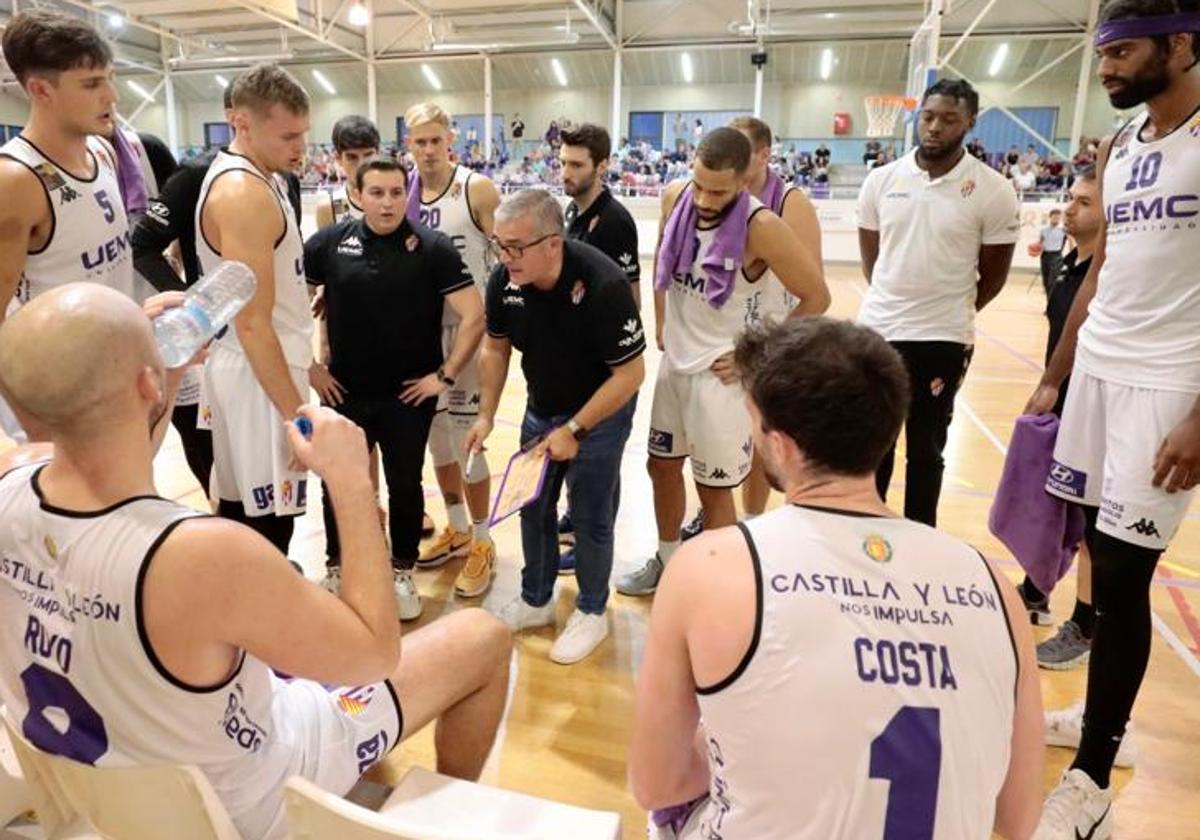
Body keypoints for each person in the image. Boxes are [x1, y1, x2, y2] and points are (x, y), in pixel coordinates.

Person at [0, 283, 512, 840]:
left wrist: (157, 373)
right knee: (482, 637)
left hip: (103, 798)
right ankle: (444, 820)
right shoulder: (204, 556)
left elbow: (97, 453)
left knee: (283, 604)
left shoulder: (14, 477)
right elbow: (372, 655)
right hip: (241, 805)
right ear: (144, 385)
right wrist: (349, 480)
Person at [629, 318, 1043, 840]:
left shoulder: (710, 565)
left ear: (780, 446)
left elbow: (657, 783)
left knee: (665, 813)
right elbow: (1018, 817)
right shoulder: (995, 587)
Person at [1024, 4, 1200, 837]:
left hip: (1169, 387)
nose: (1107, 72)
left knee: (1128, 578)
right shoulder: (1123, 148)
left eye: (1123, 54)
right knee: (1098, 550)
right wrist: (1057, 377)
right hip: (1097, 373)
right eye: (1103, 56)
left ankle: (1093, 776)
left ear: (1182, 44)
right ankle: (1103, 723)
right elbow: (1100, 275)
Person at [617, 128, 829, 598]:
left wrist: (755, 353)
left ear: (743, 181)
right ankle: (669, 561)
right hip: (677, 365)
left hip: (722, 377)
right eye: (699, 184)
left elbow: (817, 296)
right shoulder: (676, 199)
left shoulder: (763, 226)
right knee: (660, 466)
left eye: (718, 189)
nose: (704, 198)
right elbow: (662, 271)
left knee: (714, 490)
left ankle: (716, 587)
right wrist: (662, 323)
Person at [465, 189, 645, 664]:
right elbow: (496, 348)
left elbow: (631, 374)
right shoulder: (504, 281)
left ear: (553, 243)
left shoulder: (603, 285)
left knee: (589, 516)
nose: (506, 258)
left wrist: (577, 429)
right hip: (542, 408)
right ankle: (536, 600)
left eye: (516, 247)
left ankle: (591, 610)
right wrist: (485, 414)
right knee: (533, 507)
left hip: (600, 413)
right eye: (499, 245)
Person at [304, 159, 485, 618]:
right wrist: (310, 367)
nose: (386, 202)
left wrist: (442, 377)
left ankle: (402, 572)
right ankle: (338, 565)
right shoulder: (327, 244)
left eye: (394, 193)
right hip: (344, 392)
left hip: (407, 396)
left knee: (405, 484)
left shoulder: (433, 247)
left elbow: (474, 315)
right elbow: (287, 307)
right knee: (339, 483)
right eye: (376, 192)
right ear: (358, 194)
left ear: (406, 196)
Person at [857, 77, 1019, 528]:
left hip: (943, 338)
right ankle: (872, 530)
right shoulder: (881, 180)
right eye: (928, 116)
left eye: (948, 119)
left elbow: (994, 276)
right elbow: (873, 261)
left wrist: (949, 310)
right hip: (879, 332)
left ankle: (920, 537)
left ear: (969, 122)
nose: (934, 127)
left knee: (927, 449)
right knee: (876, 445)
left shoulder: (993, 189)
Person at [678, 116, 826, 542]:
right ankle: (723, 521)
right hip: (727, 336)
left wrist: (765, 350)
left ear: (761, 155)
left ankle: (755, 524)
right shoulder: (707, 199)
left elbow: (813, 290)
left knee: (763, 439)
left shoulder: (788, 203)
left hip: (772, 339)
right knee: (719, 451)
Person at [195, 64, 314, 555]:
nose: (299, 148)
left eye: (303, 134)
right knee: (262, 525)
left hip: (265, 364)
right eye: (287, 135)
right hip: (257, 372)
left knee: (258, 519)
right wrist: (298, 418)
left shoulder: (264, 179)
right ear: (241, 123)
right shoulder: (243, 192)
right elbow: (251, 322)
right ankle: (258, 627)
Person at [0, 10, 134, 446]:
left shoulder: (103, 151)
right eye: (92, 84)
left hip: (118, 378)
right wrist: (33, 427)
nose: (111, 95)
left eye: (109, 78)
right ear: (41, 90)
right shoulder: (17, 181)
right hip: (59, 409)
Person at [405, 102, 502, 599]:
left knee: (470, 442)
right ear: (408, 144)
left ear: (451, 140)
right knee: (438, 441)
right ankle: (459, 525)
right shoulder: (403, 193)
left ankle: (484, 542)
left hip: (472, 330)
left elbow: (506, 254)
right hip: (425, 334)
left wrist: (506, 325)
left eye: (434, 140)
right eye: (418, 141)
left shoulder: (475, 189)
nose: (427, 149)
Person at [1018, 171, 1103, 674]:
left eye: (1085, 202)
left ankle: (1086, 623)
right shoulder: (1068, 265)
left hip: (1091, 406)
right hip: (1062, 403)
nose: (1070, 210)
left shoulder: (1107, 276)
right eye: (1070, 199)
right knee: (1053, 508)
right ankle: (1036, 590)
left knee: (1091, 524)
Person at [554, 123, 641, 571]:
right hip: (580, 363)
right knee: (582, 459)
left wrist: (615, 367)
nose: (565, 172)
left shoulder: (615, 223)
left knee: (600, 463)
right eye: (563, 162)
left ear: (602, 166)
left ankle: (591, 542)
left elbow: (629, 296)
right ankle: (576, 517)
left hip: (608, 368)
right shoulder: (573, 212)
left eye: (576, 165)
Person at [314, 114, 379, 227]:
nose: (361, 165)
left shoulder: (396, 201)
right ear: (338, 158)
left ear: (378, 154)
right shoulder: (332, 207)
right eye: (352, 157)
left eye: (368, 155)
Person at [1038, 209, 1067, 298]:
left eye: (1058, 217)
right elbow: (1040, 243)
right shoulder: (1043, 230)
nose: (1056, 219)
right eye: (1054, 217)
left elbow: (1068, 241)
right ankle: (1048, 304)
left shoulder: (1063, 230)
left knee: (1053, 282)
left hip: (1056, 256)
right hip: (1045, 256)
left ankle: (1052, 306)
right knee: (1046, 281)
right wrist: (1035, 249)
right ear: (1050, 217)